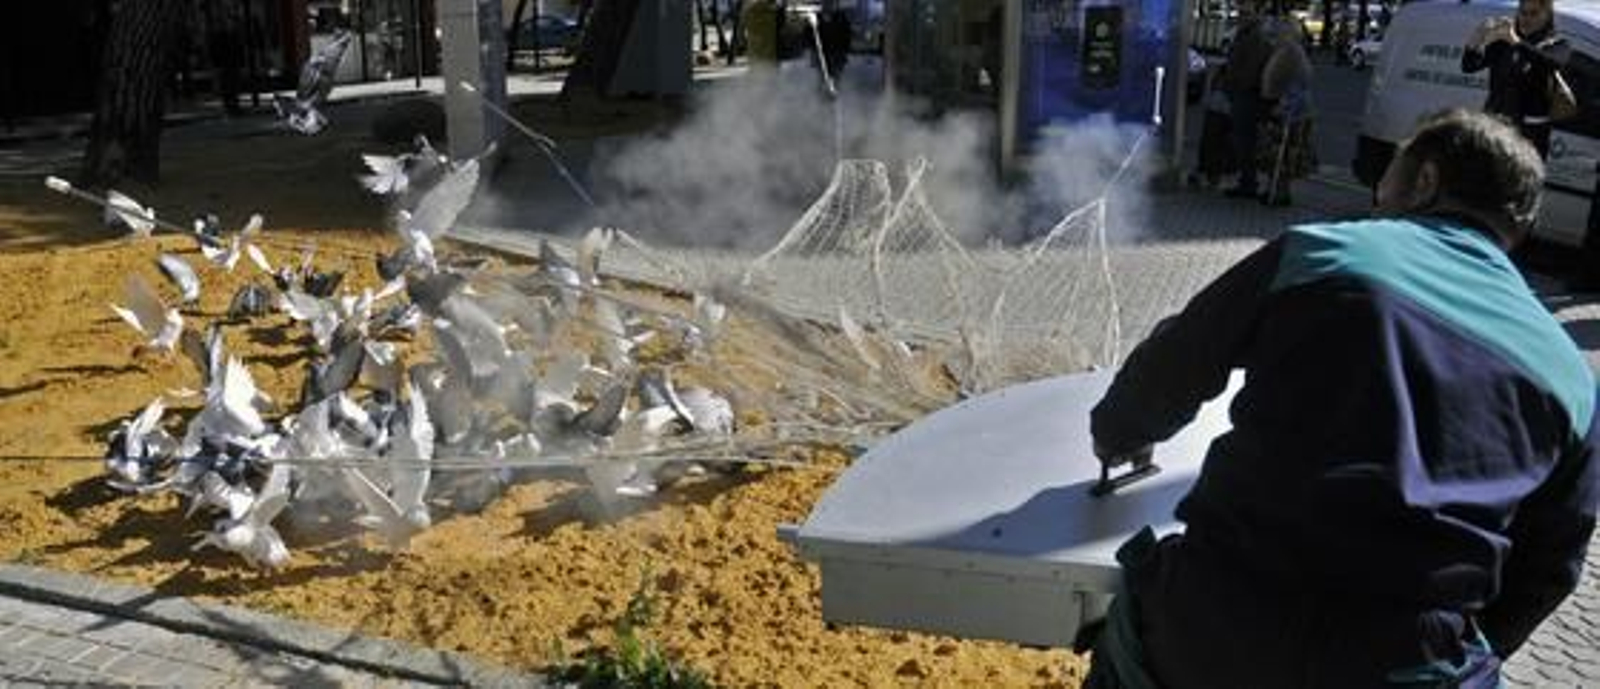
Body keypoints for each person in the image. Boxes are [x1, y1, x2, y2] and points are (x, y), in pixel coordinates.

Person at [1082, 109, 1597, 688]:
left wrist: (1117, 435)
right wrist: (1457, 649)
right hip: (1408, 657)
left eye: (1388, 175)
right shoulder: (1571, 376)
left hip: (1215, 618)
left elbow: (1172, 366)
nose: (1378, 197)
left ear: (1424, 182)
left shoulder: (1319, 254)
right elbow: (1550, 568)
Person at [1461, 0, 1572, 159]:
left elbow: (1550, 63)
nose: (1526, 19)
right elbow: (1469, 66)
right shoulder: (1504, 44)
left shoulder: (1558, 44)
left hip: (1529, 136)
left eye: (1534, 14)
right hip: (1494, 126)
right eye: (1523, 13)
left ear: (1547, 16)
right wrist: (1478, 36)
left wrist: (1515, 41)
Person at [1256, 21, 1316, 206]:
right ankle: (1281, 191)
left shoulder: (1287, 52)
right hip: (1300, 109)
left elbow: (1272, 80)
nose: (1271, 40)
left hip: (1288, 109)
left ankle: (1276, 192)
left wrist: (1269, 98)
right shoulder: (1298, 51)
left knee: (1279, 153)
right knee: (1289, 153)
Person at [1220, 6, 1275, 199]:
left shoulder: (1255, 37)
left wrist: (1235, 86)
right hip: (1244, 94)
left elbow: (1251, 71)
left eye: (1245, 13)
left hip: (1248, 96)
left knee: (1245, 141)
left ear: (1255, 16)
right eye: (1240, 12)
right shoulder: (1246, 34)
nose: (1240, 16)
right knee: (1242, 140)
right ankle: (1246, 180)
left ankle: (1248, 183)